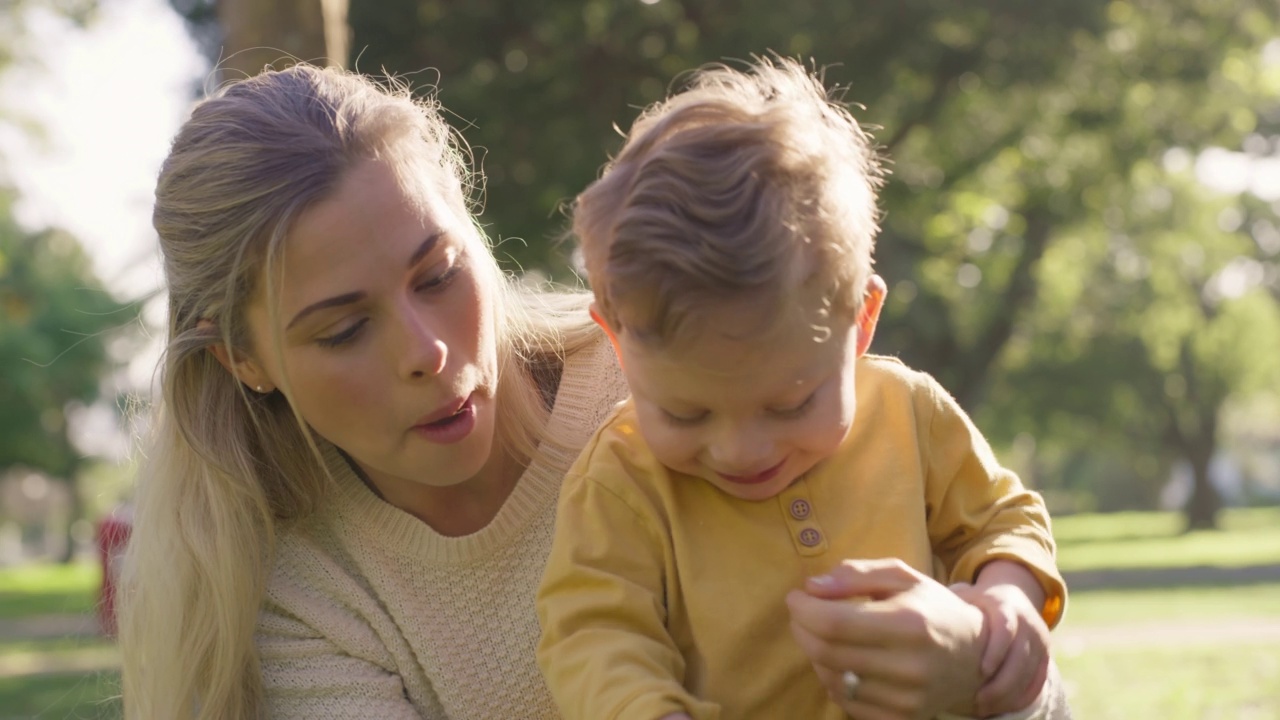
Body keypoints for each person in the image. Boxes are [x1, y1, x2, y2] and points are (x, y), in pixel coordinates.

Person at [536, 56, 1071, 720]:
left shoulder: (909, 412)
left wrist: (1009, 598)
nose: (740, 449)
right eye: (686, 412)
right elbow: (593, 632)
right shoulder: (622, 478)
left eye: (790, 403)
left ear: (860, 322)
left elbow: (1001, 521)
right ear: (616, 341)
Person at [116, 63, 630, 719]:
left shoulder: (657, 383)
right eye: (345, 330)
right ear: (242, 360)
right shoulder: (298, 593)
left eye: (438, 275)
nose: (425, 352)